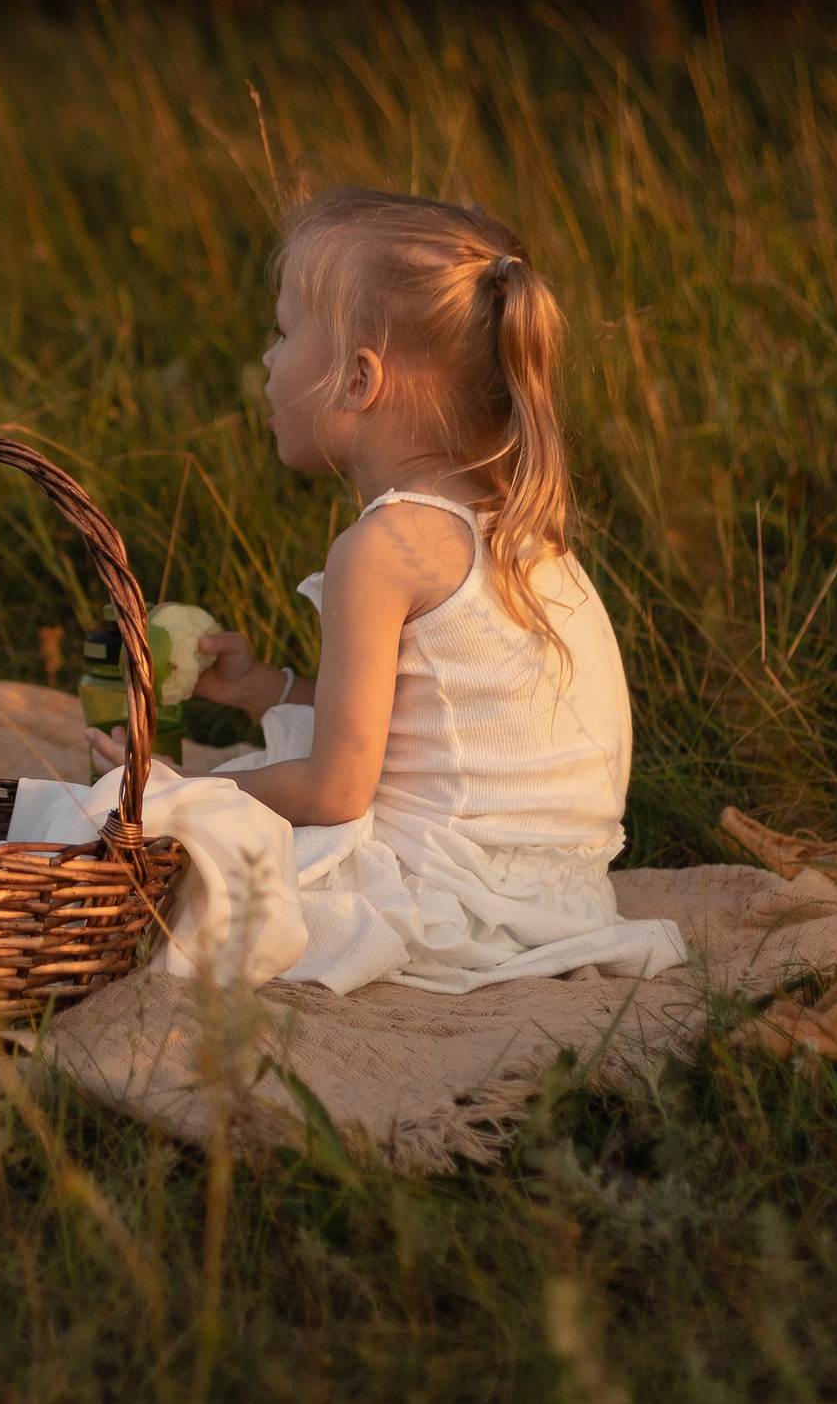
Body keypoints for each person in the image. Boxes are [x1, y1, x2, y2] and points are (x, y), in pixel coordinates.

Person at [89, 185, 673, 993]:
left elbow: (334, 790)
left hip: (453, 902)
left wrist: (177, 793)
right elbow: (417, 728)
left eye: (284, 333)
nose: (267, 360)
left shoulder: (381, 549)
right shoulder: (511, 518)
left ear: (359, 380)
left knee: (177, 864)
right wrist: (267, 689)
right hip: (556, 898)